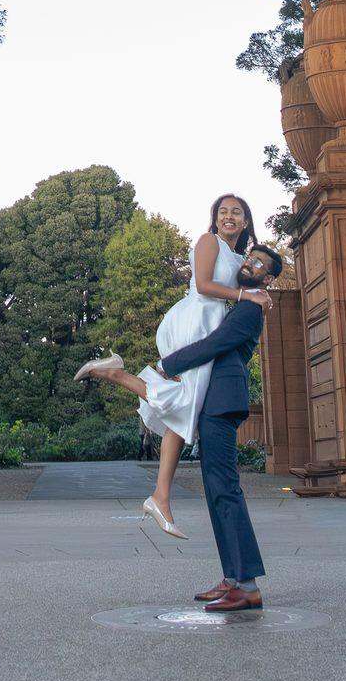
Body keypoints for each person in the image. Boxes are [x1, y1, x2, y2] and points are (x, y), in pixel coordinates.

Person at [74, 193, 275, 550]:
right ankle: (118, 376)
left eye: (237, 213)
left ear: (246, 222)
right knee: (184, 407)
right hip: (196, 320)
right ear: (214, 218)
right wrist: (246, 297)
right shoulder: (208, 240)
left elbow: (248, 284)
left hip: (208, 321)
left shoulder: (237, 256)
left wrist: (256, 294)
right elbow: (203, 287)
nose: (229, 217)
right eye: (223, 211)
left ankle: (160, 495)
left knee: (182, 411)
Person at [157, 249, 278, 612]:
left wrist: (169, 365)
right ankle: (232, 577)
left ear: (268, 280)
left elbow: (214, 346)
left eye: (259, 265)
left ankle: (247, 584)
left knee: (225, 489)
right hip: (215, 400)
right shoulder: (237, 303)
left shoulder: (249, 309)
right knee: (216, 490)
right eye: (249, 259)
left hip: (223, 400)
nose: (249, 265)